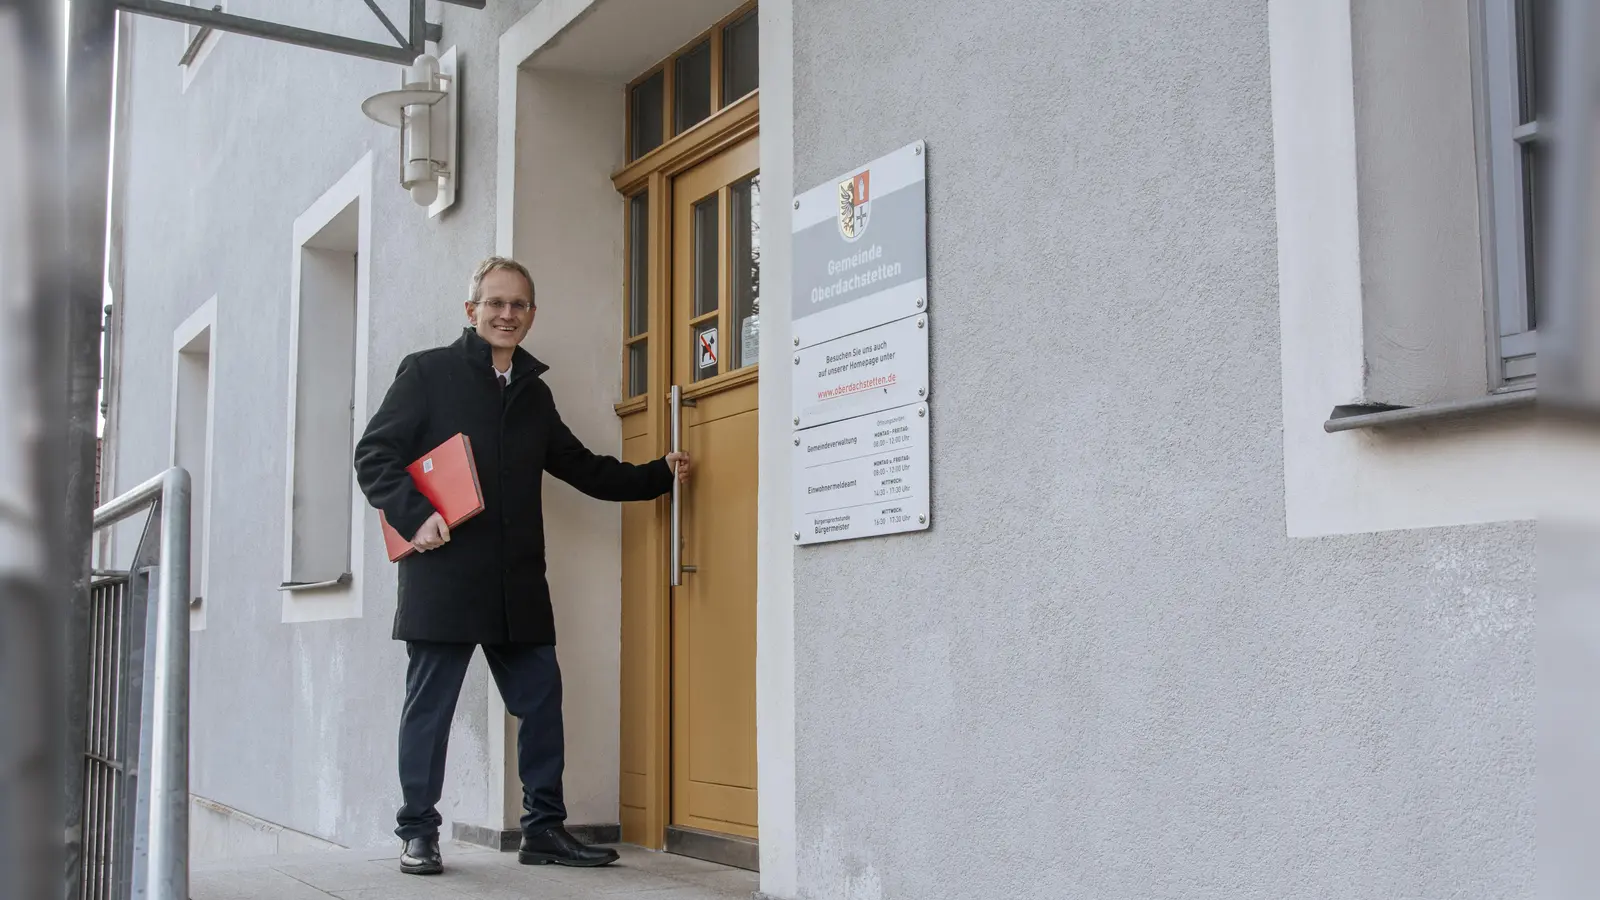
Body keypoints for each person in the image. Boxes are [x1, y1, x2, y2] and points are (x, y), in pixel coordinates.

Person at [354, 256, 688, 876]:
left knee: (540, 703)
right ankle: (418, 833)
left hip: (516, 583)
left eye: (519, 305)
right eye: (496, 303)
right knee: (430, 708)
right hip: (444, 576)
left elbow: (580, 466)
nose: (507, 315)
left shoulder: (534, 394)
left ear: (532, 315)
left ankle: (543, 829)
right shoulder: (426, 373)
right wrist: (414, 514)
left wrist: (656, 477)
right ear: (471, 309)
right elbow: (374, 453)